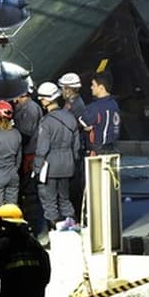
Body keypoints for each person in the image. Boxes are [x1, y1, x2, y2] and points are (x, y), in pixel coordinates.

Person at [35, 82, 82, 244]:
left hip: (50, 166)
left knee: (49, 200)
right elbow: (76, 146)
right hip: (68, 164)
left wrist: (36, 168)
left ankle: (53, 233)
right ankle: (72, 231)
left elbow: (42, 149)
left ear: (46, 100)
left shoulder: (46, 121)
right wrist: (72, 160)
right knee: (65, 198)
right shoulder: (70, 117)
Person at [13, 79, 45, 237]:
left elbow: (25, 134)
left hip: (29, 154)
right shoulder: (23, 108)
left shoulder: (30, 109)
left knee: (30, 191)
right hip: (25, 153)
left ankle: (33, 226)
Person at [58, 72, 87, 222]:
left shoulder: (76, 106)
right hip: (71, 151)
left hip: (73, 152)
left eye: (63, 88)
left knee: (73, 189)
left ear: (69, 90)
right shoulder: (73, 104)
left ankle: (75, 218)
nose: (62, 91)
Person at [79, 72, 121, 155]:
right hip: (112, 148)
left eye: (93, 85)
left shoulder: (94, 107)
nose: (91, 88)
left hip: (97, 151)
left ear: (101, 88)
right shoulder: (114, 104)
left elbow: (83, 122)